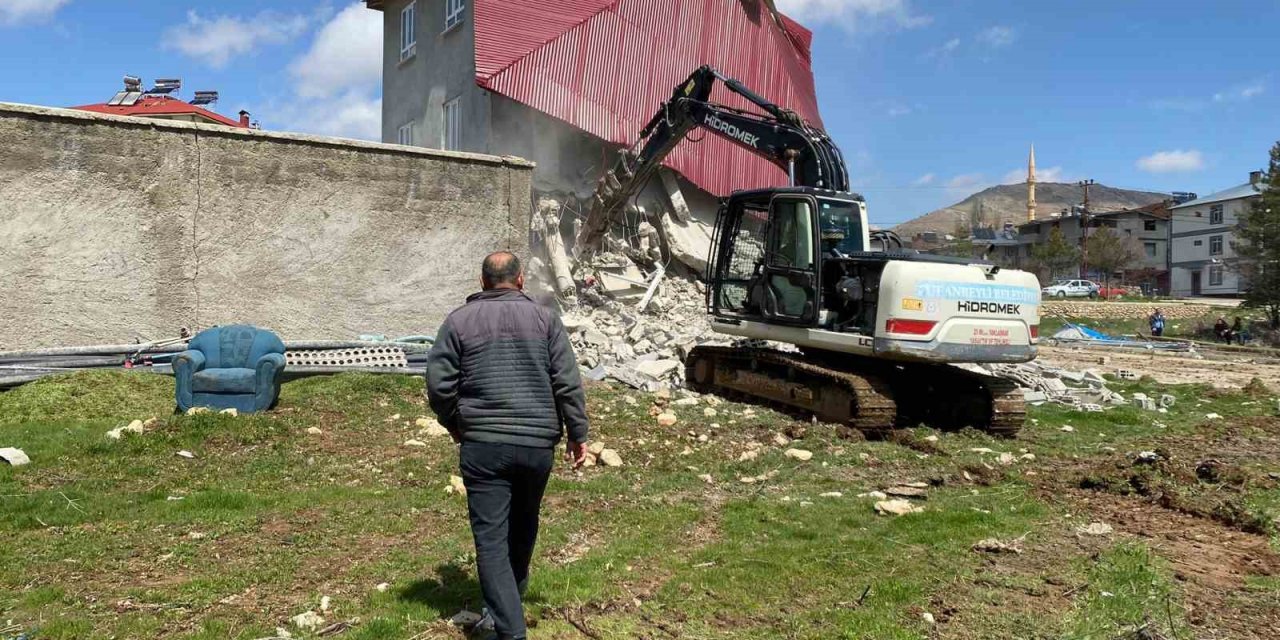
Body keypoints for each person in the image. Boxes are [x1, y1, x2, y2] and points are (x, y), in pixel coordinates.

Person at [427, 252, 589, 640]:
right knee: (523, 526)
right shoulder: (545, 319)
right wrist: (577, 433)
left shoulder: (458, 322)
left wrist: (455, 423)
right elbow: (567, 381)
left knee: (491, 538)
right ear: (519, 281)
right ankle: (506, 608)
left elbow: (438, 385)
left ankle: (509, 627)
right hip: (536, 446)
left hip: (483, 445)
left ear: (482, 282)